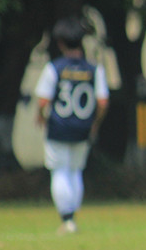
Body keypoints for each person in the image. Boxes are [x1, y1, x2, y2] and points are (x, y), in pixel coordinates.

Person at [34, 17, 109, 234]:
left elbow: (43, 101)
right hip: (83, 128)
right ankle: (72, 216)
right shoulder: (95, 70)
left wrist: (41, 116)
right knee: (75, 171)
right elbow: (103, 102)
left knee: (59, 171)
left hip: (59, 127)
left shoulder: (54, 68)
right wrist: (95, 123)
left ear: (60, 43)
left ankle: (67, 219)